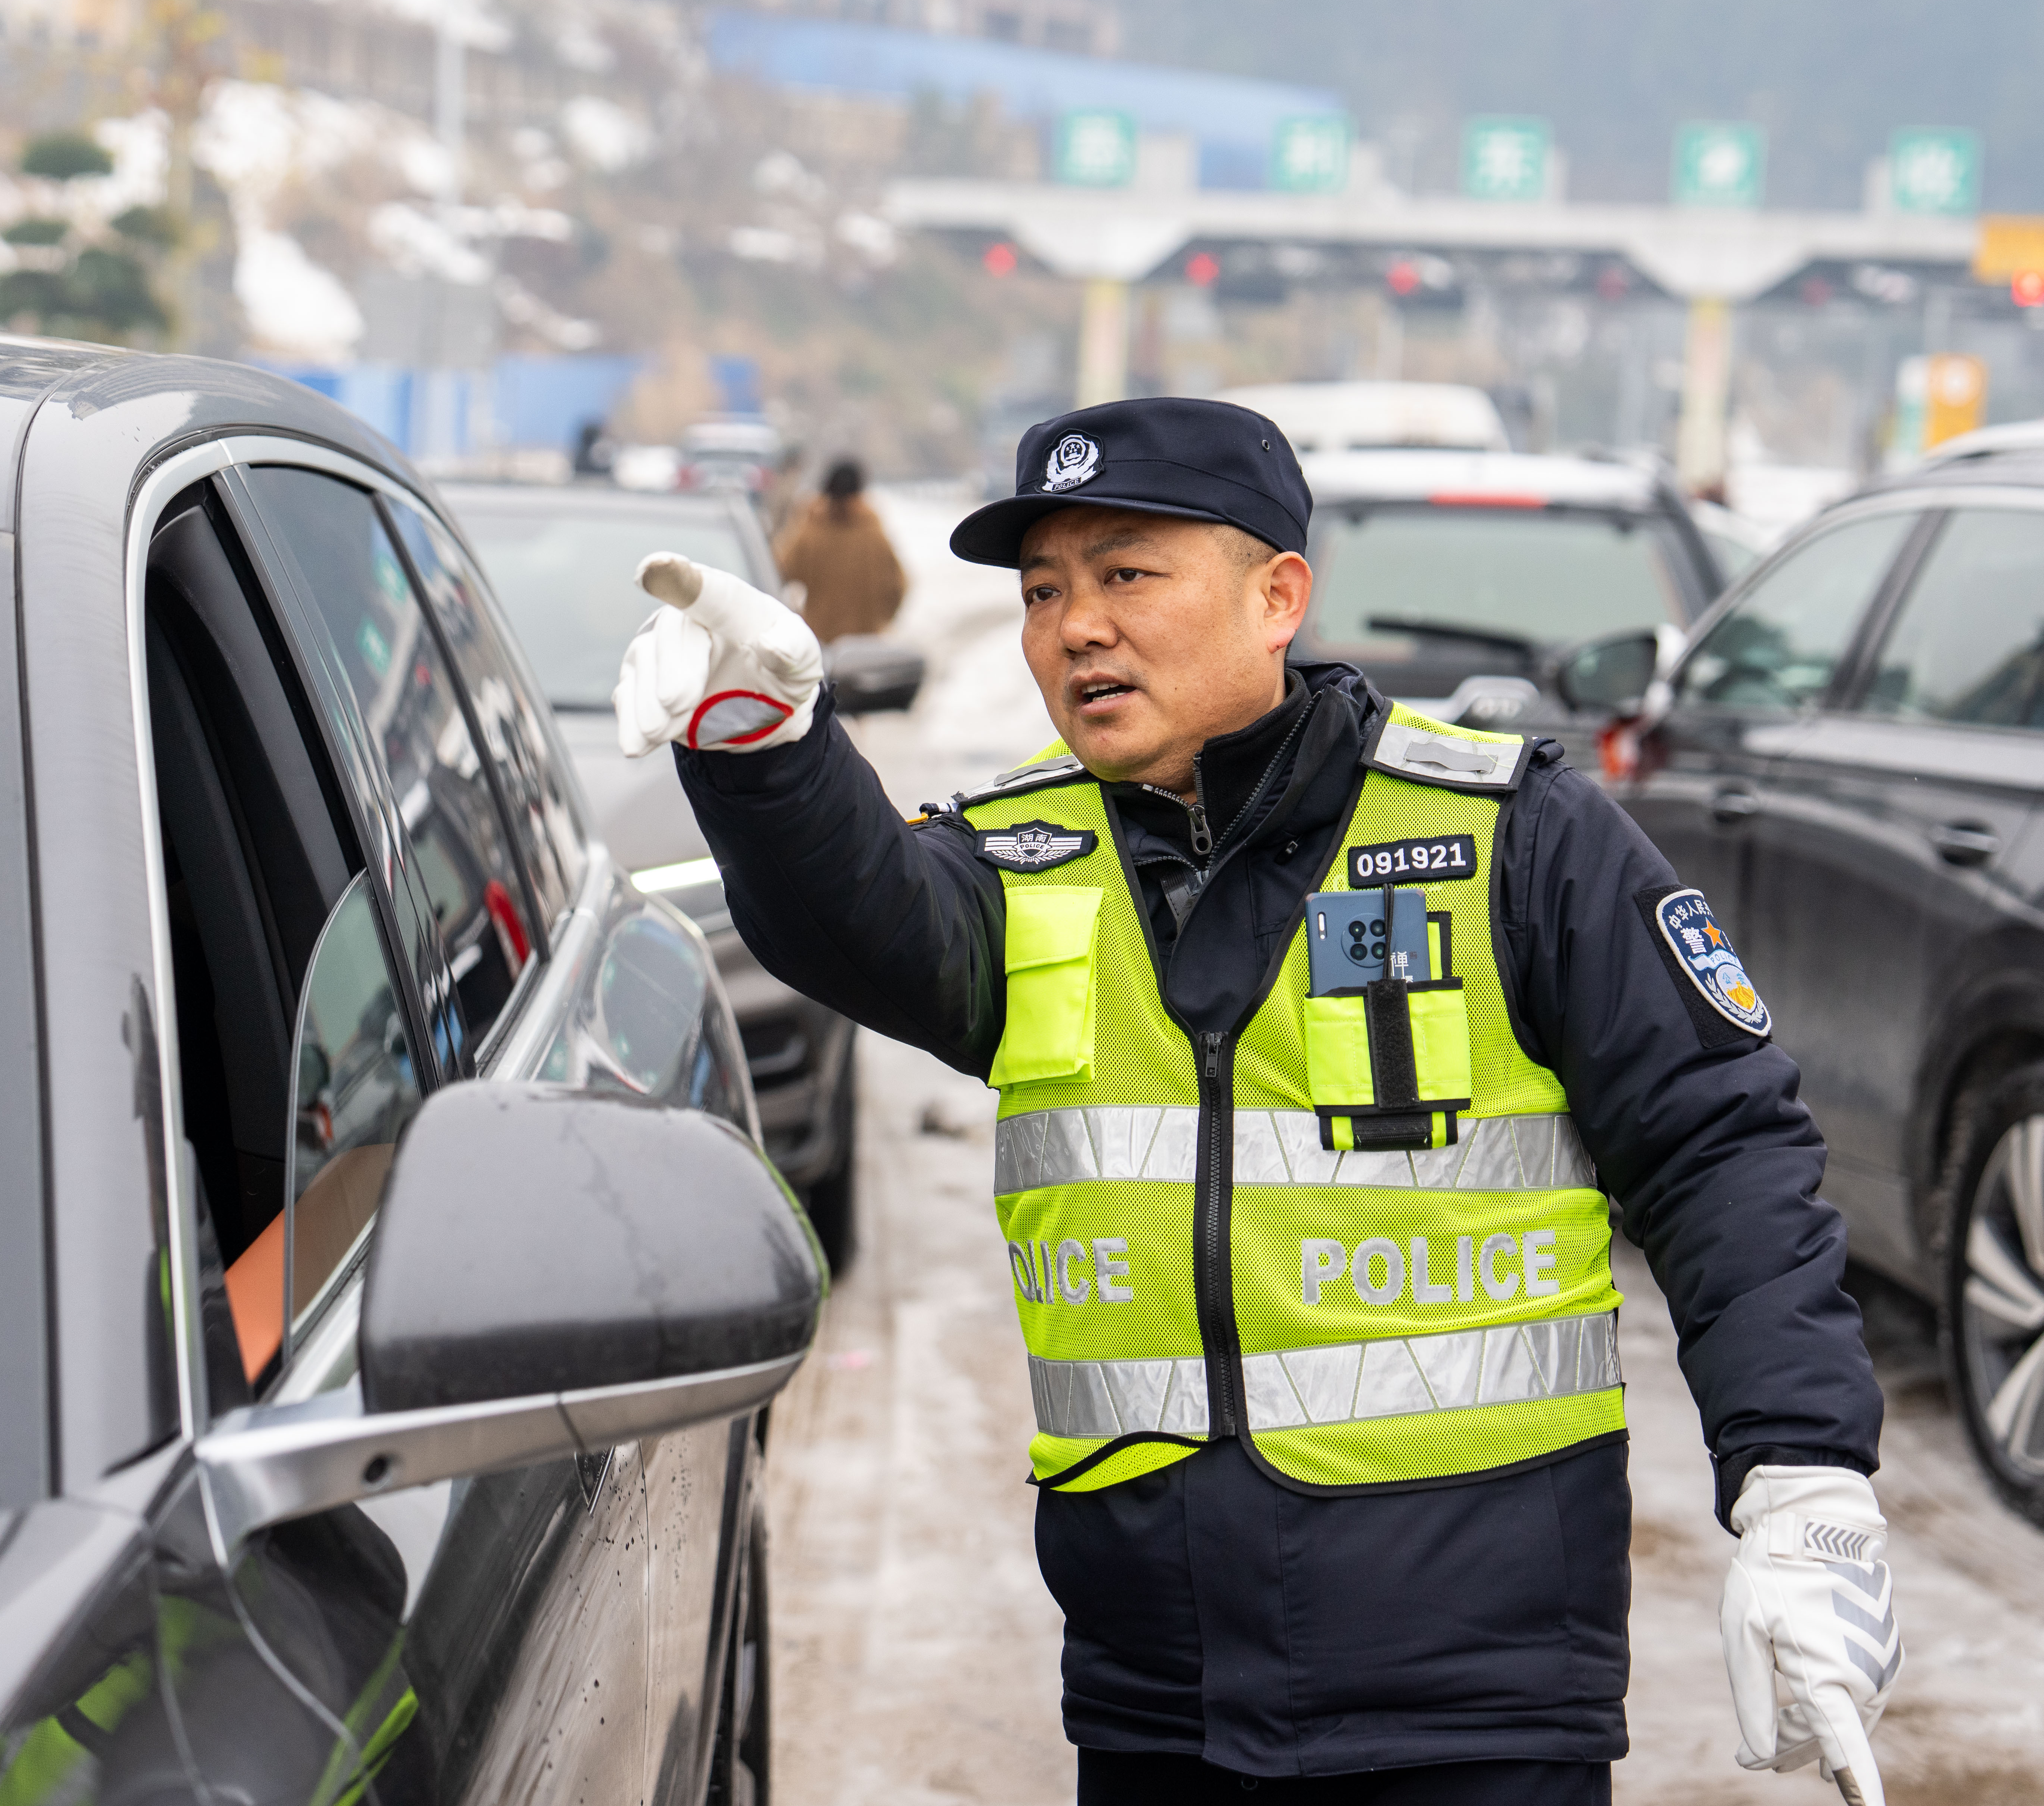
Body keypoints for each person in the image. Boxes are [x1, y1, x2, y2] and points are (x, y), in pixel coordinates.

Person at [613, 399, 1903, 1806]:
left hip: (1479, 1706)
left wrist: (1802, 1485)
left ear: (1278, 593)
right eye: (1043, 591)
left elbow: (1725, 1149)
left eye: (1126, 575)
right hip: (1161, 1699)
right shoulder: (1028, 862)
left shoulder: (1513, 836)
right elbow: (865, 923)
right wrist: (768, 751)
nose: (1075, 628)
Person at [773, 457, 906, 643]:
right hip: (866, 643)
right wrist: (880, 620)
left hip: (821, 641)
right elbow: (898, 586)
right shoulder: (872, 532)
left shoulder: (812, 529)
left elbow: (782, 570)